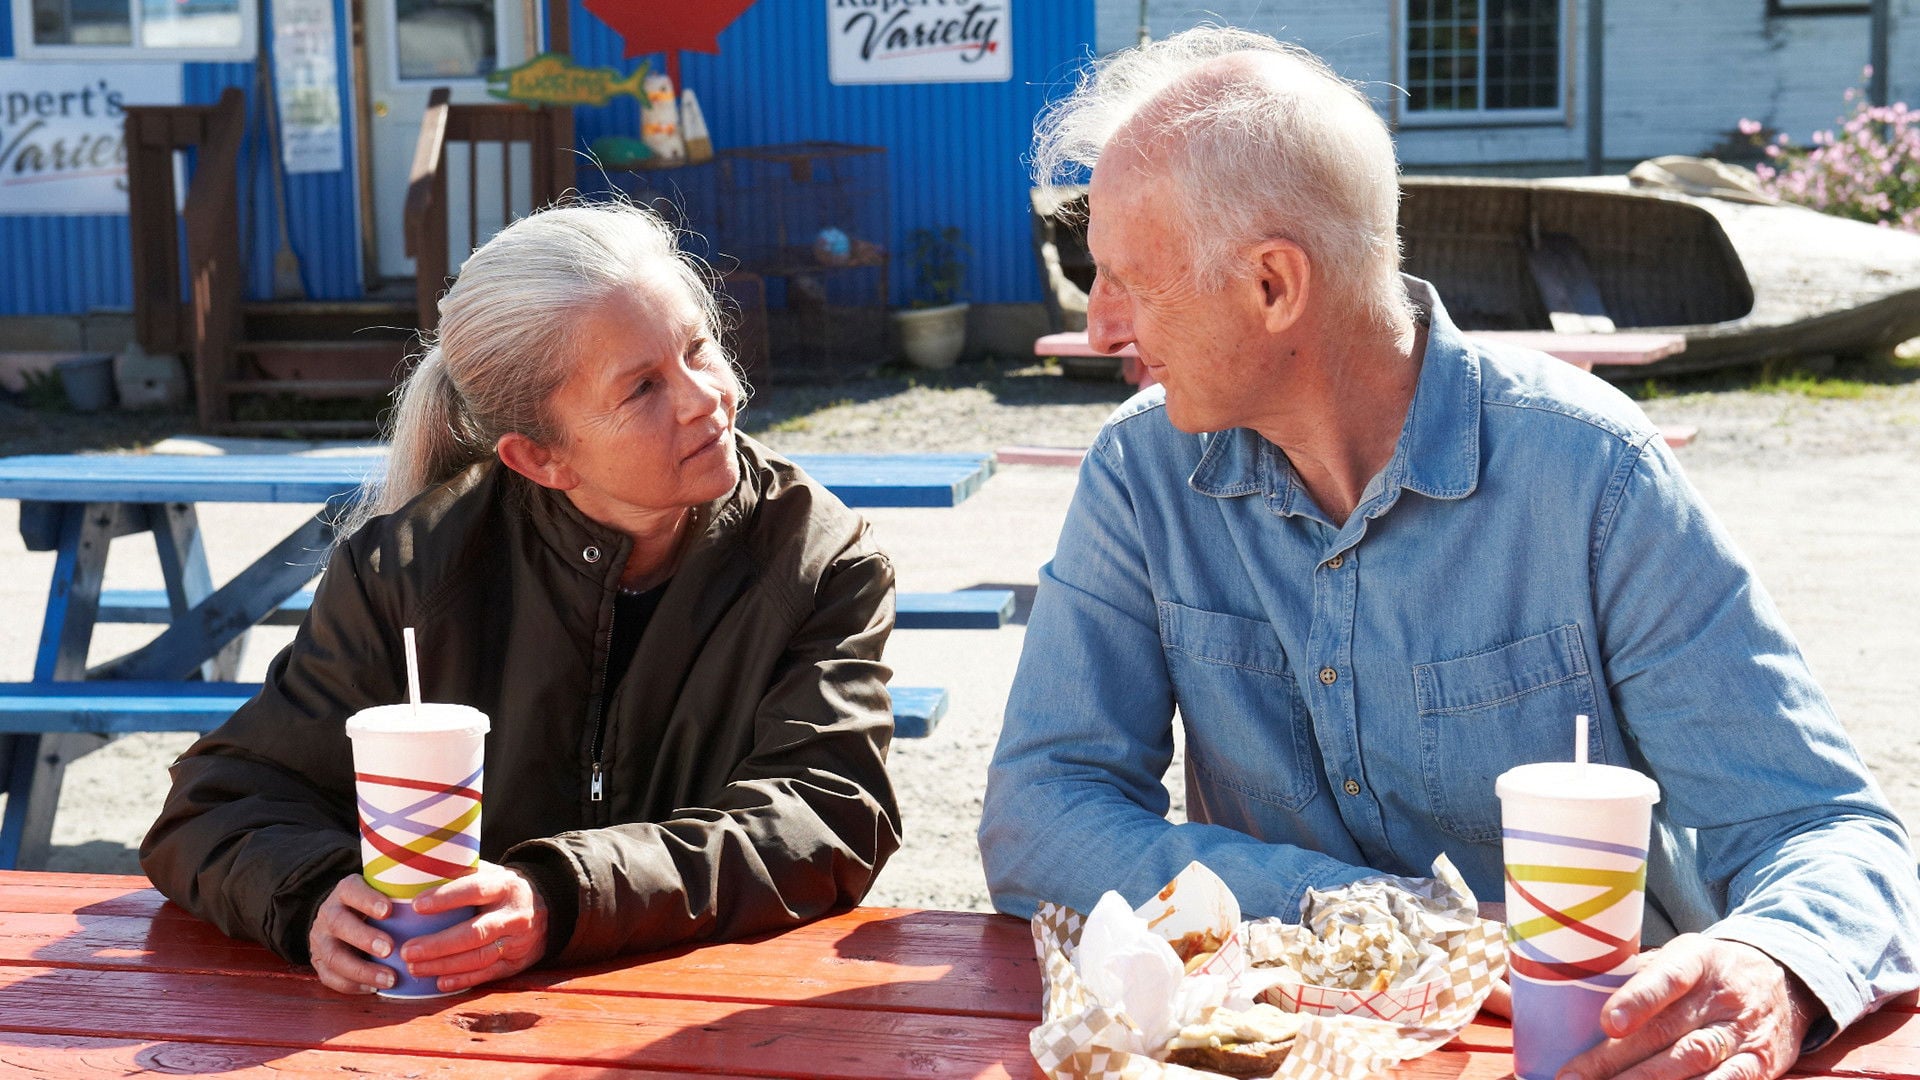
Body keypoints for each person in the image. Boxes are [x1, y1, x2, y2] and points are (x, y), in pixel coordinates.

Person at [979, 26, 1919, 1080]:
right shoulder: (1140, 470)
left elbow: (1826, 831)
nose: (1101, 326)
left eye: (1128, 282)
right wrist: (1377, 919)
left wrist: (1773, 967)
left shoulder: (1591, 474)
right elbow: (1039, 820)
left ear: (1274, 286)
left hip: (1586, 1056)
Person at [142, 202, 902, 996]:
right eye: (643, 387)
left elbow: (828, 814)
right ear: (539, 458)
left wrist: (560, 898)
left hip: (703, 1014)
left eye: (696, 348)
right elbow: (215, 805)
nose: (702, 398)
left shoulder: (815, 556)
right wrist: (314, 897)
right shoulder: (409, 570)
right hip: (441, 1020)